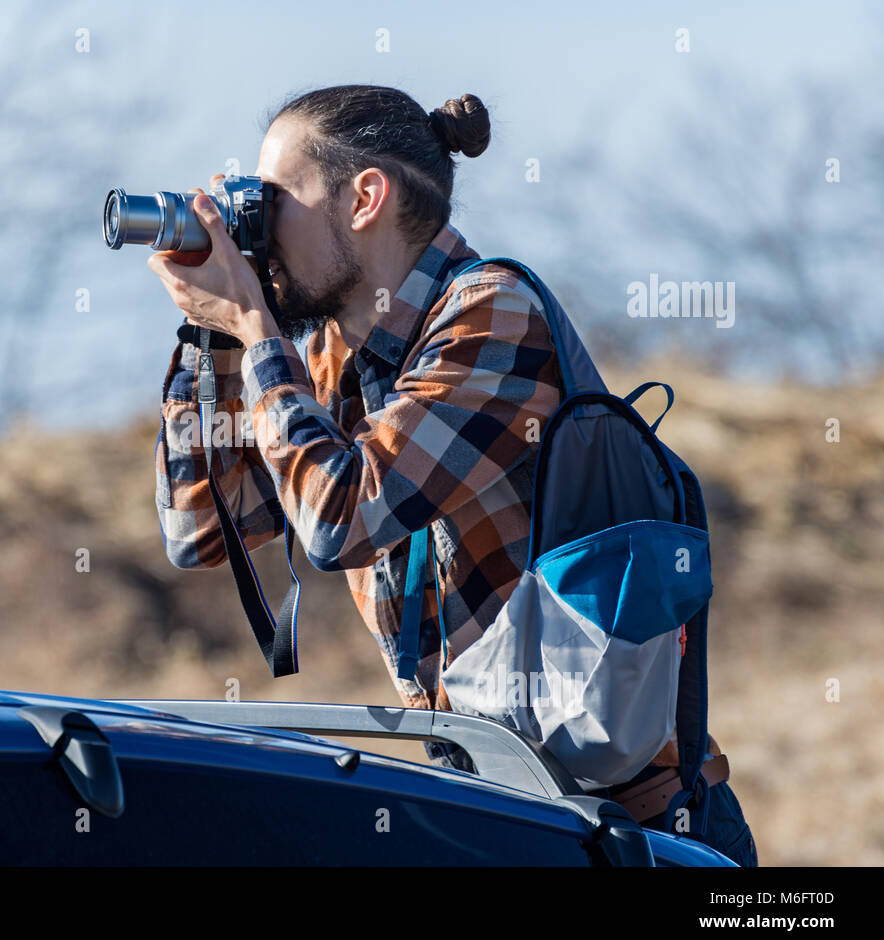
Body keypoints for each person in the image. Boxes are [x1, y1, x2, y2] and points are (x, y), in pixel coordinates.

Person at [147, 84, 757, 866]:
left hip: (635, 830)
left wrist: (255, 326)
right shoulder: (336, 358)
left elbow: (342, 519)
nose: (253, 228)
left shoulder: (492, 314)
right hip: (506, 812)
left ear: (365, 196)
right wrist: (212, 336)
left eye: (270, 200)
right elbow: (200, 529)